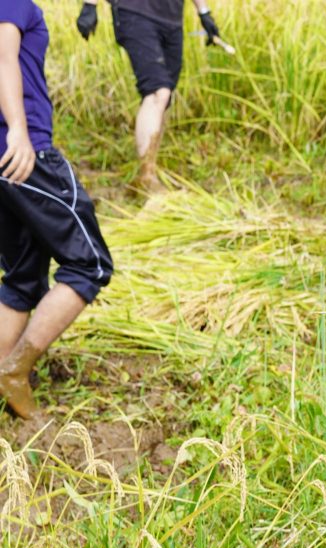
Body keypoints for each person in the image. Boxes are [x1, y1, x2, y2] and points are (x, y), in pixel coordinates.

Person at [0, 0, 114, 419]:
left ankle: (3, 382)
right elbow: (3, 56)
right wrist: (19, 131)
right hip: (24, 158)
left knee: (22, 278)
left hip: (2, 165)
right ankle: (13, 371)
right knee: (90, 265)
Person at [75, 0, 224, 192]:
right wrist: (90, 5)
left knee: (165, 97)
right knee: (157, 92)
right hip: (135, 12)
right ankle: (147, 177)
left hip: (171, 20)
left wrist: (204, 13)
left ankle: (151, 168)